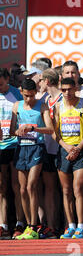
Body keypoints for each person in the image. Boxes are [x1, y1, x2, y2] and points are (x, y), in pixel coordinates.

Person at [10, 79, 54, 240]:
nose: (29, 99)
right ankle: (28, 225)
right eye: (26, 96)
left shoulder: (42, 106)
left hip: (37, 147)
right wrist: (19, 130)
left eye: (32, 95)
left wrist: (33, 127)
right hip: (21, 148)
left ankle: (34, 225)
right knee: (22, 189)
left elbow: (50, 129)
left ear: (36, 92)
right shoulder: (17, 106)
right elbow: (11, 131)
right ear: (21, 92)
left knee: (31, 186)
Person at [52, 78, 83, 239]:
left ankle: (81, 226)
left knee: (78, 188)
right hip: (65, 150)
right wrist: (65, 146)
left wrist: (77, 148)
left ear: (76, 88)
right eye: (63, 90)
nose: (67, 93)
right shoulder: (58, 106)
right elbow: (54, 132)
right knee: (66, 190)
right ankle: (70, 226)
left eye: (70, 89)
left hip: (81, 149)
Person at [0, 68, 25, 240]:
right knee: (1, 187)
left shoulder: (17, 94)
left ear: (7, 79)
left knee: (17, 186)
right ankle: (3, 224)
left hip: (15, 144)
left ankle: (19, 222)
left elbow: (27, 113)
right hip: (0, 146)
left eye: (1, 84)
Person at [39, 68, 63, 238]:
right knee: (49, 189)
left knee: (65, 189)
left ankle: (68, 224)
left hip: (62, 148)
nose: (39, 83)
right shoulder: (43, 100)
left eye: (41, 80)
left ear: (47, 81)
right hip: (47, 149)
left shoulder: (64, 97)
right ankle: (51, 225)